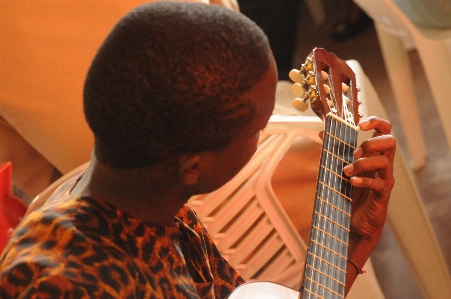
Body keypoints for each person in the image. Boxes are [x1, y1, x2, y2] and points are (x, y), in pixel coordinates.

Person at [0, 2, 396, 298]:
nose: (263, 135)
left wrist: (354, 243)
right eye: (258, 129)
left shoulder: (162, 211)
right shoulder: (53, 283)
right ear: (193, 166)